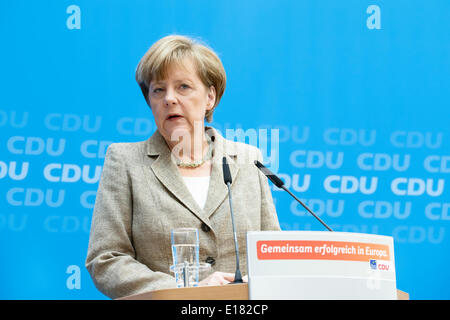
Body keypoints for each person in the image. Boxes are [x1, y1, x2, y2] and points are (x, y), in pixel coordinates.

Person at [85, 35, 280, 299]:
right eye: (158, 90)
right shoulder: (125, 161)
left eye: (183, 87)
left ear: (210, 97)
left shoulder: (248, 159)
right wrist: (184, 291)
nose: (169, 99)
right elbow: (106, 259)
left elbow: (272, 253)